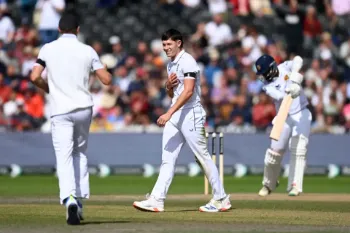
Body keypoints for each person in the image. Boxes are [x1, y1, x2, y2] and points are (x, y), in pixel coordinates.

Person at [133, 29, 231, 212]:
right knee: (167, 158)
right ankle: (157, 199)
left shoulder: (188, 61)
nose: (166, 48)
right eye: (163, 45)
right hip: (176, 114)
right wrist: (168, 87)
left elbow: (188, 91)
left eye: (169, 44)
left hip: (191, 114)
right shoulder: (171, 64)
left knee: (202, 157)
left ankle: (221, 198)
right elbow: (175, 93)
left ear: (179, 43)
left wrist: (169, 113)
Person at [30, 13, 111, 225]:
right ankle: (80, 198)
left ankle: (70, 199)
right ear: (78, 30)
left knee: (64, 155)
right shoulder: (87, 50)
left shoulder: (48, 48)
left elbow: (34, 76)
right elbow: (106, 80)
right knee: (80, 153)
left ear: (58, 29)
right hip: (84, 107)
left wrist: (49, 88)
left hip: (60, 109)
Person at [255, 54, 312, 197]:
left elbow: (298, 59)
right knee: (273, 152)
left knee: (298, 148)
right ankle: (268, 184)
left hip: (301, 113)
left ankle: (295, 186)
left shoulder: (284, 67)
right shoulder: (267, 86)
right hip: (283, 116)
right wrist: (291, 89)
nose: (262, 77)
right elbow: (280, 97)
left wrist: (294, 80)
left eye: (264, 73)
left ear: (272, 68)